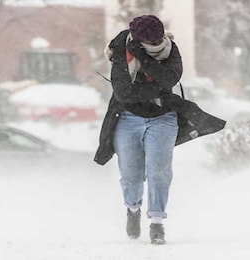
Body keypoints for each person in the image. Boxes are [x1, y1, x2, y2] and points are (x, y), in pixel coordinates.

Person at [95, 15, 183, 245]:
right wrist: (158, 89)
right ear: (137, 38)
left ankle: (156, 223)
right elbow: (125, 93)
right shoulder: (120, 50)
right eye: (149, 43)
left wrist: (144, 57)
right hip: (127, 117)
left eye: (157, 41)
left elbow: (170, 78)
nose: (155, 46)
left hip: (163, 117)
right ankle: (132, 209)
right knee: (131, 175)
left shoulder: (170, 49)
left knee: (159, 171)